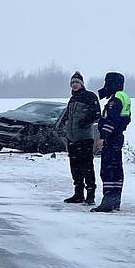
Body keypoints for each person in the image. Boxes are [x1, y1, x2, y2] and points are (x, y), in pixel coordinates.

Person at [57, 71, 101, 204]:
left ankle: (91, 194)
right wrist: (63, 123)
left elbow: (97, 113)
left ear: (82, 84)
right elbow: (68, 115)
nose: (74, 85)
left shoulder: (89, 97)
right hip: (72, 138)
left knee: (87, 166)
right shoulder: (72, 99)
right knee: (75, 167)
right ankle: (78, 193)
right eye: (72, 83)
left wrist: (85, 122)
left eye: (76, 82)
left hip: (84, 138)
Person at [91, 71, 131, 212]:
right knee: (116, 169)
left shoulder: (116, 99)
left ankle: (108, 201)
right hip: (117, 137)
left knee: (108, 169)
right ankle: (115, 200)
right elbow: (125, 119)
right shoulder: (124, 96)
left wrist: (103, 136)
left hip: (112, 138)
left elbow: (112, 120)